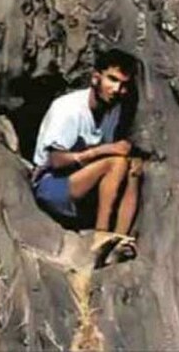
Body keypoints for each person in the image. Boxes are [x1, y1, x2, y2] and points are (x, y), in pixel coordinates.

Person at [31, 48, 144, 264]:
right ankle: (100, 235)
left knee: (132, 168)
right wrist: (103, 151)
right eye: (112, 79)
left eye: (123, 85)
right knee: (115, 162)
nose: (117, 89)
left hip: (81, 186)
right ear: (96, 77)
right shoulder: (69, 109)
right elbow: (55, 161)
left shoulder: (114, 110)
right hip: (50, 186)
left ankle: (119, 241)